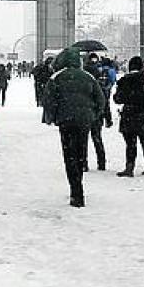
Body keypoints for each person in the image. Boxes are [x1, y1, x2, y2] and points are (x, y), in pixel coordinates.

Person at [42, 46, 105, 207]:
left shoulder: (56, 77)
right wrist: (93, 115)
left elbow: (48, 100)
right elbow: (101, 99)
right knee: (80, 151)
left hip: (66, 121)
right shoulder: (89, 77)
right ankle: (79, 182)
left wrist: (52, 117)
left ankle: (75, 191)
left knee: (69, 155)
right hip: (84, 121)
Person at [114, 56, 144, 176]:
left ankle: (129, 167)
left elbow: (118, 99)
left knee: (130, 144)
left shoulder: (124, 81)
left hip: (129, 115)